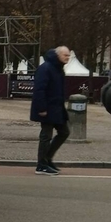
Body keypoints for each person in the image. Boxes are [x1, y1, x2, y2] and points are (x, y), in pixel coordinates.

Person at [30, 46, 71, 175]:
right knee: (46, 136)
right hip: (47, 108)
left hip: (56, 108)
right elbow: (39, 89)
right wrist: (42, 108)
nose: (68, 58)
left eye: (68, 55)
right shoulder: (46, 68)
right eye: (65, 55)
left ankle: (47, 159)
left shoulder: (58, 68)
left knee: (64, 132)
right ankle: (41, 165)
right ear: (57, 55)